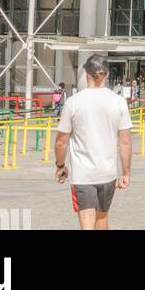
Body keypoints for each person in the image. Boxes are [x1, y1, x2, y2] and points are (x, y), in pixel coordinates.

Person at [54, 53, 133, 231]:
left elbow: (61, 141)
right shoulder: (119, 102)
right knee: (102, 216)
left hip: (83, 173)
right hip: (108, 172)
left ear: (87, 74)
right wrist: (126, 173)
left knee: (87, 220)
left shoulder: (73, 102)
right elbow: (125, 142)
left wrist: (60, 165)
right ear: (106, 74)